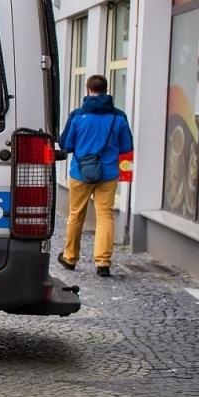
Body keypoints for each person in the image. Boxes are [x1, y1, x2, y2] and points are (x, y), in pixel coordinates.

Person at [58, 74, 134, 277]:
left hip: (80, 172)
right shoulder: (119, 117)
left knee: (76, 215)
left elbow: (65, 144)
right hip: (108, 174)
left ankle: (70, 257)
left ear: (87, 89)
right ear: (106, 90)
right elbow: (127, 146)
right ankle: (103, 262)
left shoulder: (77, 115)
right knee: (105, 216)